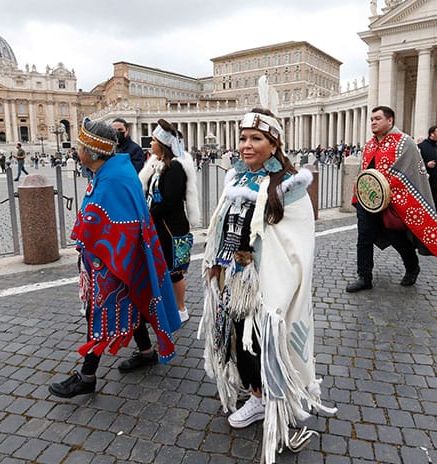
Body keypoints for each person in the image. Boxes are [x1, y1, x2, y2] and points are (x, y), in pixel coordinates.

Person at [200, 108, 334, 463]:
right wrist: (217, 261)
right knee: (241, 342)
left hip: (269, 283)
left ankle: (275, 401)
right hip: (236, 278)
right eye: (243, 138)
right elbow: (222, 225)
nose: (246, 145)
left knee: (266, 342)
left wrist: (278, 281)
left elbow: (296, 244)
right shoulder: (238, 178)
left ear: (274, 145)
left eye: (256, 139)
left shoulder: (290, 188)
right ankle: (258, 397)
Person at [48, 118, 181, 398]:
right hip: (115, 260)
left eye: (81, 145)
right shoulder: (111, 171)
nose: (76, 149)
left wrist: (90, 232)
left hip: (113, 263)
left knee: (99, 314)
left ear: (91, 152)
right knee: (133, 303)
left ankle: (87, 376)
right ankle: (145, 351)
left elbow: (120, 225)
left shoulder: (113, 178)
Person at [116, 120, 201, 374]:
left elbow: (170, 201)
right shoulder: (157, 165)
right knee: (166, 268)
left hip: (173, 229)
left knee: (176, 270)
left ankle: (181, 308)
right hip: (160, 227)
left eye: (153, 140)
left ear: (162, 144)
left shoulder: (175, 168)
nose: (149, 143)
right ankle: (171, 308)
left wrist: (147, 214)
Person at [346, 106, 437, 292]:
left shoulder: (405, 142)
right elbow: (365, 172)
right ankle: (364, 276)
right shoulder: (370, 144)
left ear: (390, 121)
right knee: (364, 237)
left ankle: (412, 267)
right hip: (368, 202)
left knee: (397, 238)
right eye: (371, 119)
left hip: (393, 203)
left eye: (378, 118)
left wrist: (388, 187)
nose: (373, 122)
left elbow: (412, 173)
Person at [418, 125, 437, 213]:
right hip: (426, 182)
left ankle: (433, 218)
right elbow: (416, 162)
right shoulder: (422, 146)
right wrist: (426, 164)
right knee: (424, 204)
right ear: (432, 134)